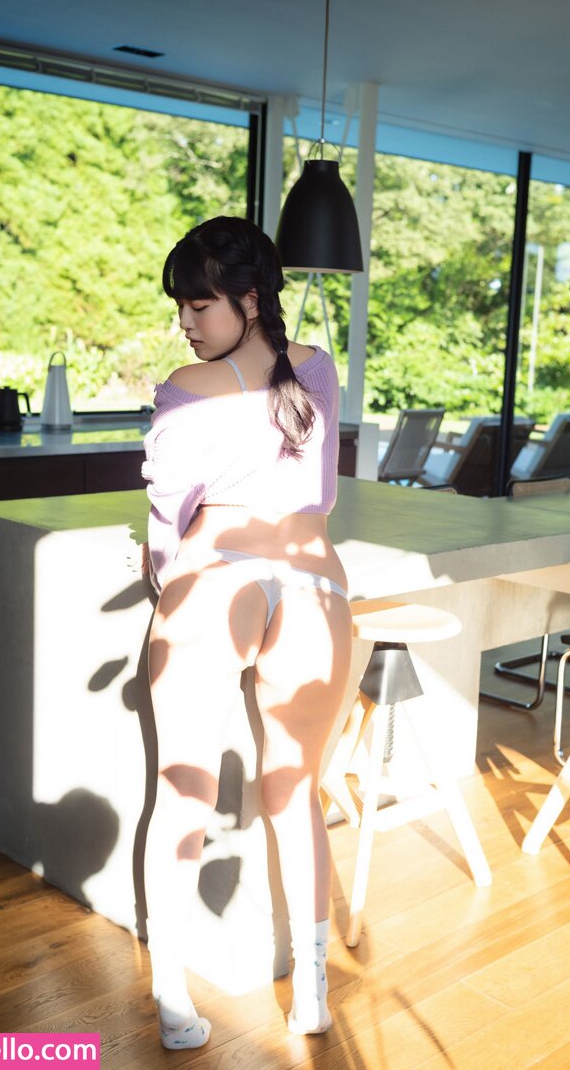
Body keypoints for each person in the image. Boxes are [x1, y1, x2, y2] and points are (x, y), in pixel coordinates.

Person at [141, 215, 352, 1050]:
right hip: (314, 581)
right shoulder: (317, 369)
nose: (185, 323)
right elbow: (321, 492)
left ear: (250, 298)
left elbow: (166, 515)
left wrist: (162, 573)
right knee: (296, 790)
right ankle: (311, 993)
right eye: (181, 307)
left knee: (182, 793)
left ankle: (172, 999)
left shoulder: (188, 387)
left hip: (214, 576)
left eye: (199, 304)